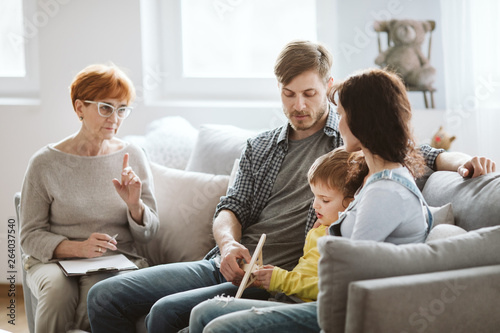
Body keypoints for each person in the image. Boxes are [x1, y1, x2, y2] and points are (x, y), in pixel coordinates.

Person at [88, 40, 495, 333]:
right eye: (288, 94)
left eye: (310, 94)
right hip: (226, 261)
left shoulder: (355, 147)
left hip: (281, 277)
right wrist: (229, 245)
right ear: (278, 91)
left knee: (167, 313)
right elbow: (231, 207)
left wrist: (466, 162)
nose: (299, 105)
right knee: (104, 297)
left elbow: (418, 152)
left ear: (328, 87)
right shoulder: (260, 146)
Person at [187, 68, 436, 332]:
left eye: (341, 115)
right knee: (203, 312)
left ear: (363, 121)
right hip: (320, 297)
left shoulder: (386, 192)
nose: (338, 124)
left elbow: (347, 274)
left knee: (217, 326)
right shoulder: (375, 180)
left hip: (336, 310)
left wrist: (283, 283)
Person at [19, 63, 159, 333]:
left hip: (116, 259)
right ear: (79, 108)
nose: (115, 118)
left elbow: (149, 233)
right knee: (57, 294)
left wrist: (134, 206)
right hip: (54, 261)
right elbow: (29, 235)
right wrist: (78, 248)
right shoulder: (44, 163)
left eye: (122, 110)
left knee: (97, 294)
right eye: (106, 107)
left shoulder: (133, 156)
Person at [189, 147, 366, 332]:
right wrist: (268, 280)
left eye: (325, 200)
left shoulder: (344, 236)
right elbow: (306, 272)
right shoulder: (319, 228)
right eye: (314, 196)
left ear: (352, 202)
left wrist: (280, 279)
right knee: (200, 312)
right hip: (286, 298)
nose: (315, 205)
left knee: (207, 314)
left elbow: (328, 288)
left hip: (301, 306)